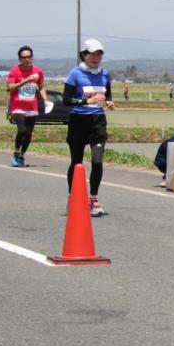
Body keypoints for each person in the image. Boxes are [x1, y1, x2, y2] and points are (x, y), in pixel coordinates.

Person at [63, 38, 114, 216]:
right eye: (92, 53)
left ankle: (93, 198)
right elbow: (66, 100)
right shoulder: (75, 74)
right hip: (78, 122)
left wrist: (109, 102)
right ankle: (73, 197)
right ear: (84, 55)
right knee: (77, 163)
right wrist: (87, 100)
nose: (96, 57)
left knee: (97, 161)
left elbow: (108, 95)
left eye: (99, 54)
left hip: (98, 122)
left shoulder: (105, 74)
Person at [5, 45, 46, 167]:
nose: (27, 59)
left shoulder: (38, 71)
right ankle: (16, 154)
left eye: (29, 57)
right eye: (24, 57)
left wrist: (45, 99)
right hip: (17, 106)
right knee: (22, 130)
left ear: (32, 57)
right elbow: (10, 87)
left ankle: (22, 156)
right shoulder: (14, 71)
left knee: (28, 133)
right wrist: (26, 80)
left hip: (31, 107)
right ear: (20, 59)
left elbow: (41, 87)